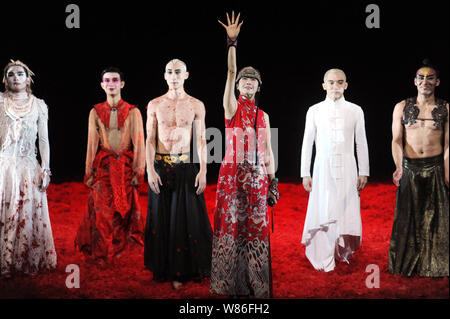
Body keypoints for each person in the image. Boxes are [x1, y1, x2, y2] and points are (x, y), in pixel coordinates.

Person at [210, 12, 278, 298]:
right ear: (237, 86)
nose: (248, 81)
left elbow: (269, 152)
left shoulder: (263, 116)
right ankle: (229, 285)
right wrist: (232, 43)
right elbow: (229, 72)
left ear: (259, 86)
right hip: (231, 178)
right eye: (244, 79)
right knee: (232, 228)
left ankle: (255, 284)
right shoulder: (231, 109)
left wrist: (273, 181)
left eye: (253, 79)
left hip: (258, 180)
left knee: (255, 231)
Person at [144, 59, 212, 290]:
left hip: (185, 166)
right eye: (170, 72)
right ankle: (164, 268)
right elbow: (149, 139)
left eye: (178, 72)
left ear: (186, 75)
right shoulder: (154, 104)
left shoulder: (196, 105)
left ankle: (184, 271)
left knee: (185, 220)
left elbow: (202, 140)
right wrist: (149, 169)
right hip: (161, 166)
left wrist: (203, 170)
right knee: (162, 219)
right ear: (164, 75)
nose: (174, 76)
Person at [300, 68, 369, 272]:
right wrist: (305, 172)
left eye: (340, 82)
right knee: (325, 208)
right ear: (324, 85)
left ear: (346, 85)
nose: (335, 86)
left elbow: (361, 143)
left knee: (345, 209)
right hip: (323, 167)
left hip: (348, 166)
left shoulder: (356, 110)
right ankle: (324, 255)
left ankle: (341, 251)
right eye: (331, 82)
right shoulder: (314, 110)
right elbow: (307, 142)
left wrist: (363, 171)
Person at [75, 67, 145, 267]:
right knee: (101, 212)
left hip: (125, 166)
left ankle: (120, 250)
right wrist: (89, 172)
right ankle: (101, 255)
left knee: (123, 212)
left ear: (122, 84)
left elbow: (140, 142)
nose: (111, 83)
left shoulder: (133, 112)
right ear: (102, 85)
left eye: (115, 79)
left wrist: (139, 172)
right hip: (104, 167)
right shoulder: (95, 111)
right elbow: (91, 143)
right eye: (107, 80)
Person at [389, 59, 449, 277]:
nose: (425, 81)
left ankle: (435, 265)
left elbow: (448, 144)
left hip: (435, 166)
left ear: (437, 82)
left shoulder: (446, 108)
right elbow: (397, 140)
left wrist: (447, 172)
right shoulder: (402, 107)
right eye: (421, 78)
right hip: (410, 166)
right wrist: (399, 167)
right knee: (408, 216)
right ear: (415, 81)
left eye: (430, 78)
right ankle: (407, 264)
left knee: (435, 217)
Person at [0, 60, 56, 278]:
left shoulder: (39, 105)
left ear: (28, 78)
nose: (16, 77)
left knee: (26, 211)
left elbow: (44, 140)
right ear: (5, 79)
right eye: (11, 74)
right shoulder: (0, 102)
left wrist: (46, 169)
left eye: (20, 74)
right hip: (4, 166)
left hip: (27, 167)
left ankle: (22, 258)